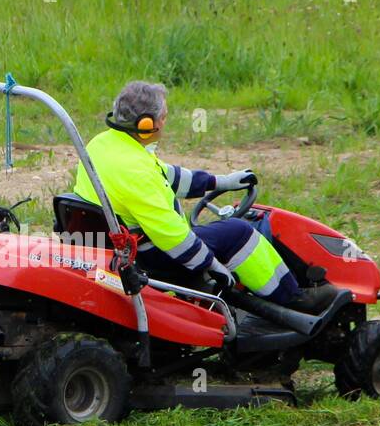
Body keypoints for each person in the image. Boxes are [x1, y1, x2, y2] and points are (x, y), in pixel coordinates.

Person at [73, 80, 302, 305]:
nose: (165, 122)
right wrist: (212, 267)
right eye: (163, 117)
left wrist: (221, 182)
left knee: (222, 231)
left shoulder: (103, 145)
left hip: (118, 248)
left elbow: (167, 175)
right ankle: (292, 298)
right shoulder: (135, 170)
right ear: (146, 125)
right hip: (152, 256)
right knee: (240, 232)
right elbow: (171, 236)